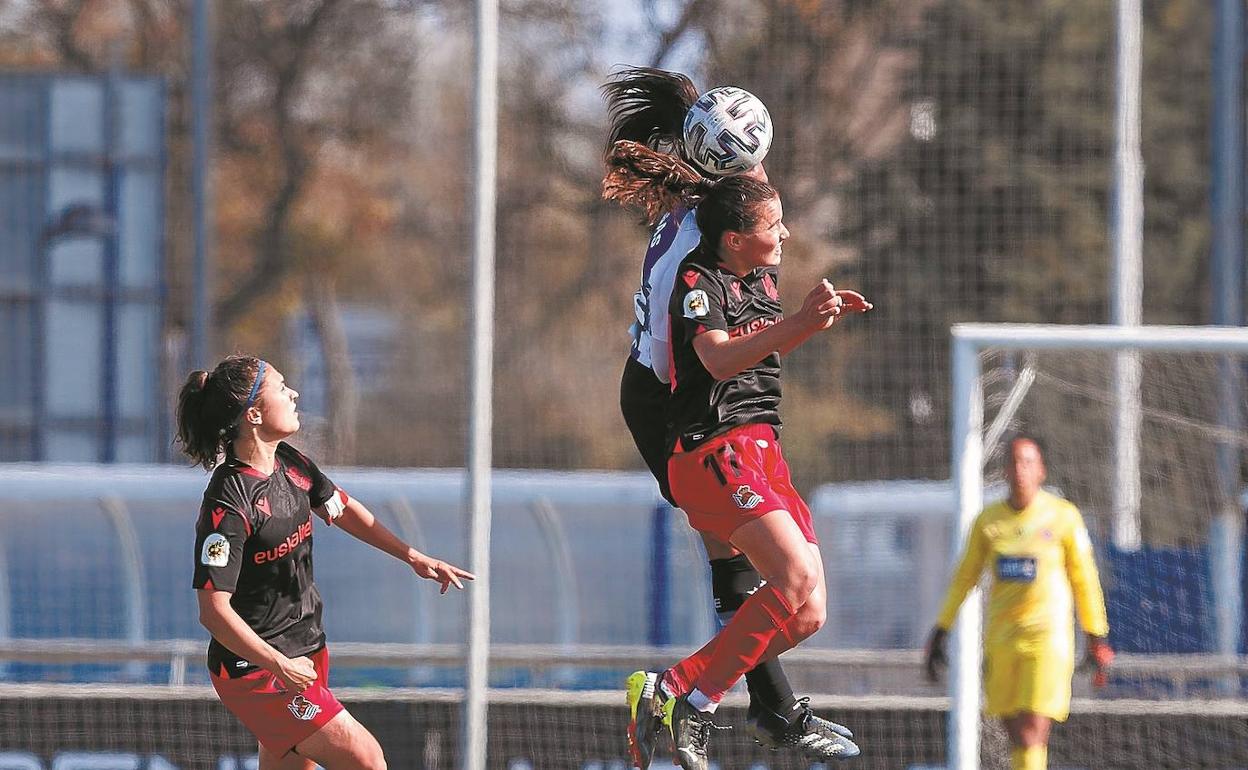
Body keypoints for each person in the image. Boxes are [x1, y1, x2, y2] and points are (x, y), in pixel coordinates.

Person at [604, 67, 860, 768]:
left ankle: (763, 706)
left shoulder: (726, 210)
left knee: (775, 583)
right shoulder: (695, 262)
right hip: (672, 398)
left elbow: (753, 186)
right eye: (770, 219)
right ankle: (711, 699)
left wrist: (707, 120)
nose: (782, 225)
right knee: (750, 562)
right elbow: (676, 356)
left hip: (705, 401)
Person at [178, 355, 473, 770]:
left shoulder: (291, 465)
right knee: (367, 759)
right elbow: (213, 611)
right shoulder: (229, 502)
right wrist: (278, 664)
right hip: (257, 669)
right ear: (255, 414)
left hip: (306, 650)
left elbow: (343, 507)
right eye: (281, 388)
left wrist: (412, 556)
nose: (293, 393)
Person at [924, 435, 1114, 770]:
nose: (1020, 470)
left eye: (1027, 462)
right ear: (1005, 471)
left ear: (1041, 470)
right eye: (1013, 462)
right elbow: (963, 579)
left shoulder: (1063, 517)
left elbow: (1084, 580)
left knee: (1032, 730)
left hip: (1048, 639)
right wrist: (941, 630)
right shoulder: (989, 522)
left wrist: (1096, 636)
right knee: (1018, 733)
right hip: (1003, 639)